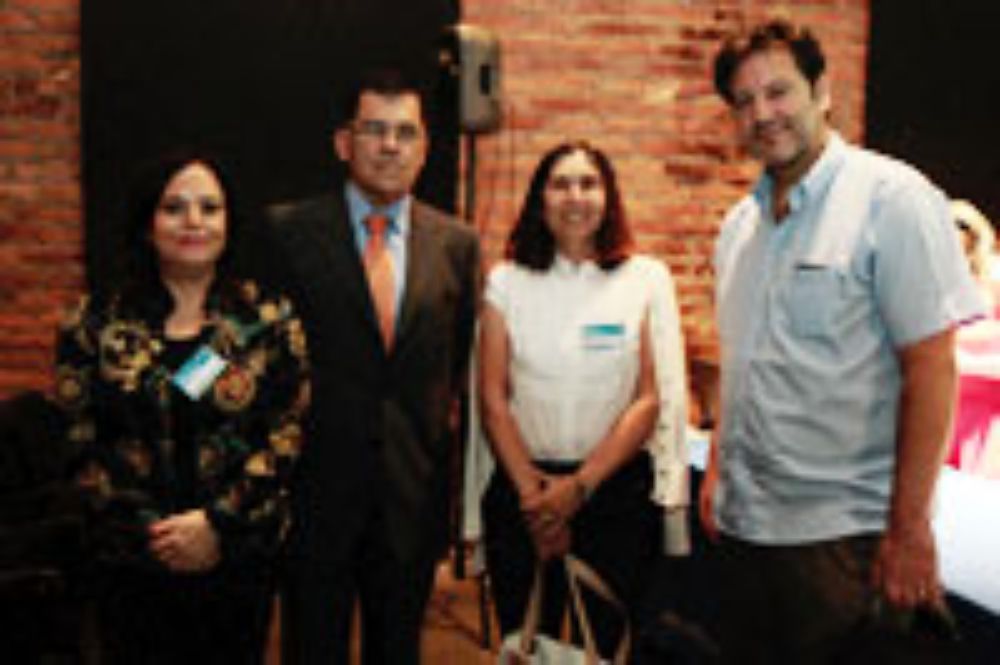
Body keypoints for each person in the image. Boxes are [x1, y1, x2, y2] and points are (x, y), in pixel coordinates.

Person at [699, 19, 986, 662]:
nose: (762, 114)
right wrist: (719, 463)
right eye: (744, 103)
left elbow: (932, 368)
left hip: (841, 543)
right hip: (746, 531)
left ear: (822, 90)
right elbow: (743, 361)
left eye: (779, 92)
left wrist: (909, 528)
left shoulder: (894, 201)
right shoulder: (738, 228)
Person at [52, 148, 309, 663]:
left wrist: (215, 524)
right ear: (148, 225)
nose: (194, 221)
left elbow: (286, 434)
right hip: (129, 560)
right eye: (174, 208)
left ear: (229, 224)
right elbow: (80, 441)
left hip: (238, 555)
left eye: (209, 208)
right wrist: (158, 533)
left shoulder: (266, 322)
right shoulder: (92, 323)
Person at [262, 69, 480, 663]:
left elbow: (460, 370)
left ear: (425, 147)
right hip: (314, 493)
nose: (390, 146)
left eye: (405, 132)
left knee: (398, 651)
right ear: (343, 143)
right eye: (374, 130)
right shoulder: (288, 233)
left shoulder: (458, 245)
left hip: (410, 499)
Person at [472, 141, 688, 657]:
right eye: (561, 183)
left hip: (613, 496)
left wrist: (579, 489)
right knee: (529, 645)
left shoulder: (645, 279)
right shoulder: (507, 282)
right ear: (539, 199)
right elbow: (492, 395)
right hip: (524, 495)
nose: (576, 196)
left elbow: (648, 400)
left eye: (589, 183)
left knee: (609, 645)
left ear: (609, 197)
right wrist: (536, 500)